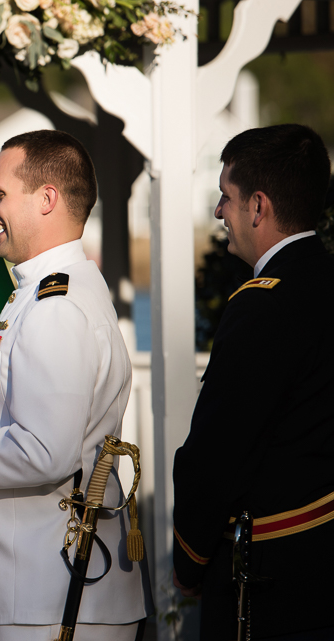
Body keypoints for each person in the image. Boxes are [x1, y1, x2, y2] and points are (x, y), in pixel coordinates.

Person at [0, 130, 153, 640]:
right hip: (43, 584)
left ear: (47, 199)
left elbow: (45, 451)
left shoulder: (55, 308)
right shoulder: (44, 292)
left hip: (54, 591)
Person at [172, 124, 334, 639]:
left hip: (271, 581)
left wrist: (189, 561)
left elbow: (216, 458)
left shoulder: (262, 305)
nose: (219, 212)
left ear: (258, 206)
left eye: (226, 197)